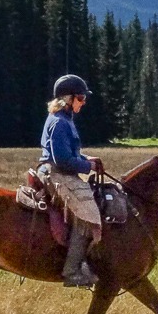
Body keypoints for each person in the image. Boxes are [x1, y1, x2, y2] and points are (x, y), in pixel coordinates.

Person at [39, 74, 104, 288]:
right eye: (81, 98)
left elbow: (68, 153)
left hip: (58, 170)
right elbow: (63, 160)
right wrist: (88, 166)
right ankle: (72, 270)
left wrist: (86, 158)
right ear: (67, 99)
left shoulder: (64, 119)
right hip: (56, 173)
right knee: (88, 214)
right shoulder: (60, 123)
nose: (83, 103)